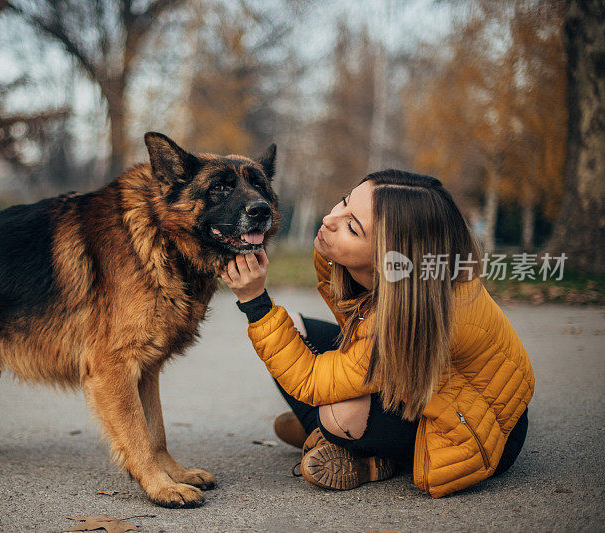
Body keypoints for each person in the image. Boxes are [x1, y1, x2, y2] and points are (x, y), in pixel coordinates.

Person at [220, 170, 534, 498]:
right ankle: (331, 437)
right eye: (344, 201)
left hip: (474, 434)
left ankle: (350, 447)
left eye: (352, 227)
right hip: (425, 391)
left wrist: (254, 301)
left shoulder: (406, 319)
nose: (330, 218)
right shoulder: (409, 282)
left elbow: (310, 379)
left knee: (337, 414)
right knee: (293, 328)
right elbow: (353, 339)